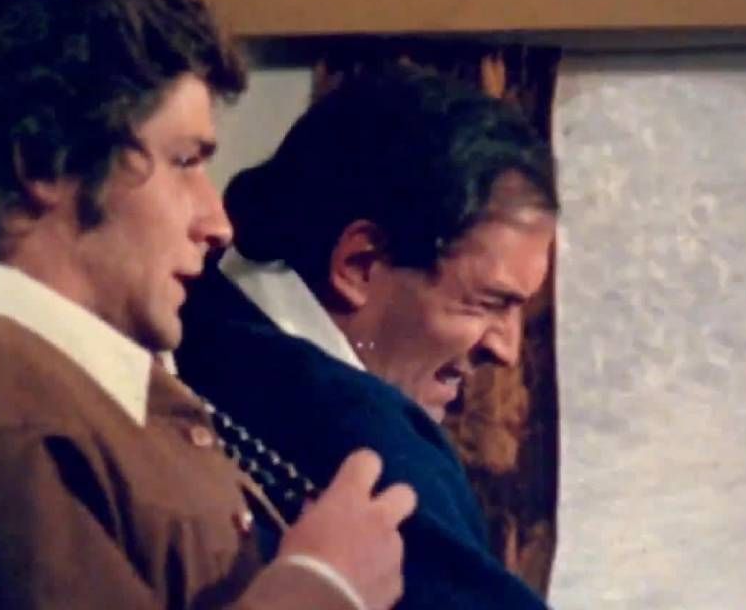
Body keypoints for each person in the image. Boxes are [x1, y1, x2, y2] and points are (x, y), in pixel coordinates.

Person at [0, 0, 415, 610]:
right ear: (44, 163)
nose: (217, 224)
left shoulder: (51, 378)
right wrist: (324, 589)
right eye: (184, 161)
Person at [176, 64, 557, 609]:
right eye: (487, 303)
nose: (507, 349)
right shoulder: (369, 439)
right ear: (360, 265)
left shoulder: (188, 318)